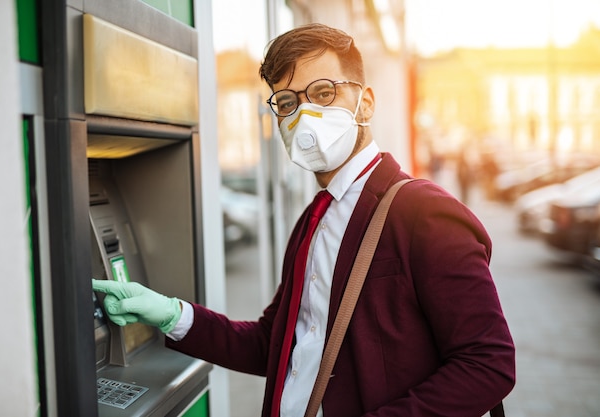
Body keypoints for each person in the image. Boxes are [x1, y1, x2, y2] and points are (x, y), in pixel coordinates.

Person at [93, 23, 515, 417]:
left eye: (324, 92)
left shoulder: (424, 213)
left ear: (364, 102)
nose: (304, 114)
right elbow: (271, 346)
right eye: (289, 102)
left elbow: (488, 364)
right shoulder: (314, 219)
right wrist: (170, 314)